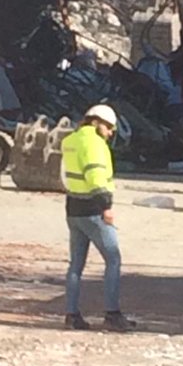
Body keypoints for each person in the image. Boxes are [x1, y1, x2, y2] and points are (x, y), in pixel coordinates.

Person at [60, 104, 134, 332]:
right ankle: (112, 314)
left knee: (76, 265)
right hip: (93, 209)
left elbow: (64, 174)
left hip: (73, 207)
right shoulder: (94, 143)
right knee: (113, 259)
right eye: (109, 127)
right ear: (96, 122)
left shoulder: (70, 140)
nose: (111, 132)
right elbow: (95, 176)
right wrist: (106, 207)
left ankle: (71, 314)